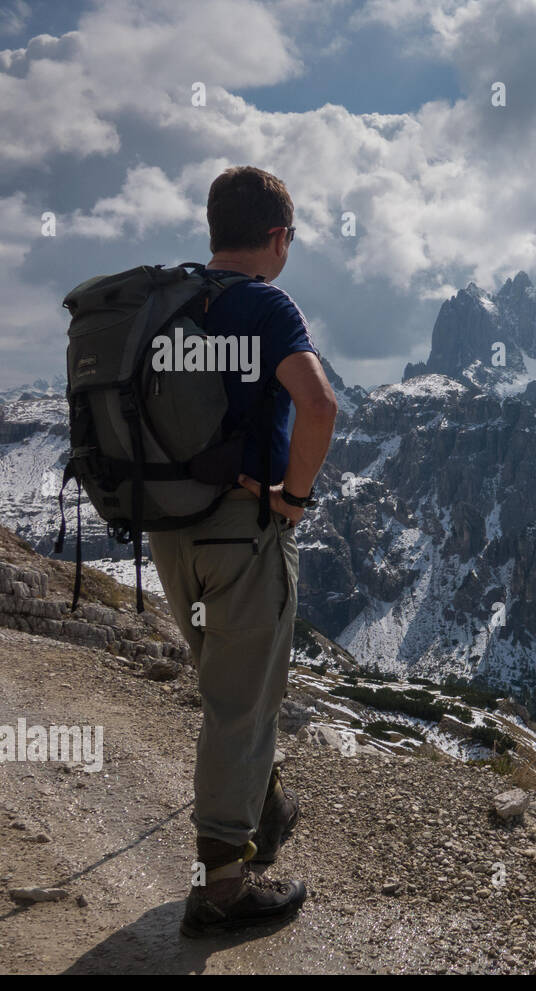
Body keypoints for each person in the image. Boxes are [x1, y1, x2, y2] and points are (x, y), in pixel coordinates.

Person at [148, 166, 338, 937]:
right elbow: (319, 404)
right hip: (241, 531)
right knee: (241, 699)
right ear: (277, 237)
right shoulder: (265, 303)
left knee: (227, 681)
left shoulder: (166, 303)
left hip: (167, 532)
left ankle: (263, 805)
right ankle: (220, 885)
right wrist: (292, 499)